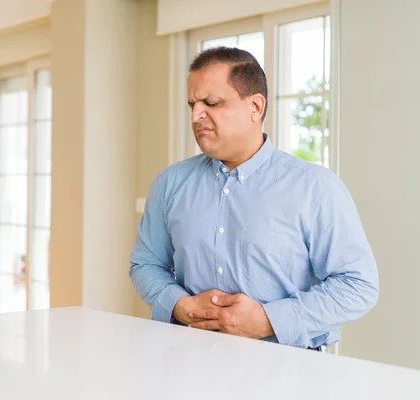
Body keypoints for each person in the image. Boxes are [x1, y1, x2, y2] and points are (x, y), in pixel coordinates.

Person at [129, 46, 378, 350]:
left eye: (212, 102)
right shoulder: (170, 183)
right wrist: (180, 304)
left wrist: (266, 320)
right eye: (192, 104)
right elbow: (145, 264)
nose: (196, 115)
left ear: (255, 107)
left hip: (290, 373)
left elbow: (358, 286)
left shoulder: (316, 187)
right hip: (189, 361)